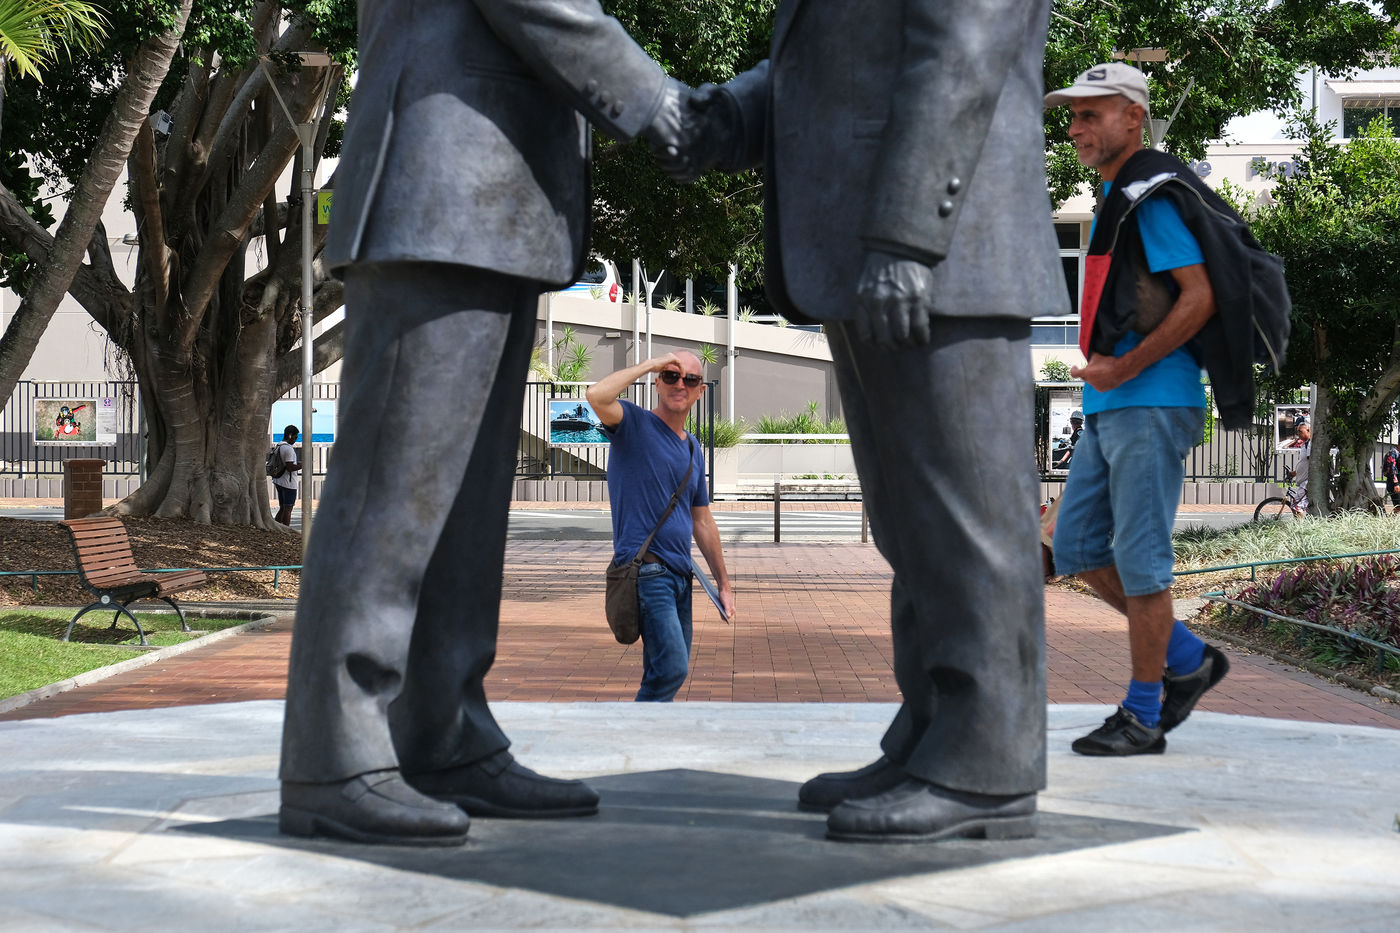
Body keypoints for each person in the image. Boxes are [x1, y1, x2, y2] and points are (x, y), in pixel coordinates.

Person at [278, 1, 703, 847]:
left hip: (495, 204)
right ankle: (336, 754)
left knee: (463, 515)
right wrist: (663, 107)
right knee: (389, 501)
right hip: (435, 183)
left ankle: (445, 733)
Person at [668, 0, 1068, 843]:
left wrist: (907, 237)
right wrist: (728, 115)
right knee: (909, 522)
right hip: (870, 251)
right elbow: (842, 63)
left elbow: (965, 45)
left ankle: (986, 762)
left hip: (941, 250)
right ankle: (933, 730)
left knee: (968, 520)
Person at [1044, 63, 1231, 757]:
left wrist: (1124, 367)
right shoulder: (1114, 196)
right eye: (1073, 116)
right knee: (1077, 545)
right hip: (1112, 402)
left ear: (1133, 116)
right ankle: (1188, 658)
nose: (1075, 128)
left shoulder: (1149, 198)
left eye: (1090, 114)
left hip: (1150, 401)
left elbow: (1200, 295)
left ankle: (1144, 714)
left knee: (1142, 560)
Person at [586, 351, 735, 701]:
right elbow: (596, 396)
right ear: (657, 383)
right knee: (671, 668)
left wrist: (724, 584)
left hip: (682, 576)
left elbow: (702, 521)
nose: (680, 384)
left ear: (700, 391)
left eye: (690, 379)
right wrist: (651, 364)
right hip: (648, 572)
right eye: (670, 376)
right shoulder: (633, 425)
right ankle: (636, 730)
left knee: (663, 671)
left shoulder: (693, 448)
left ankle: (646, 732)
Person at [271, 425, 301, 527]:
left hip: (278, 480)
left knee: (283, 507)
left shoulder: (279, 446)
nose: (295, 440)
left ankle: (277, 528)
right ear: (290, 435)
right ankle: (286, 530)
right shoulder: (288, 449)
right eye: (295, 437)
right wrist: (301, 465)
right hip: (288, 483)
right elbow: (290, 467)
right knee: (288, 508)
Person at [1383, 441, 1400, 515]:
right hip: (1394, 483)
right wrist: (1396, 484)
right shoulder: (1392, 453)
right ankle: (1393, 520)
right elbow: (1391, 469)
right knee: (1398, 505)